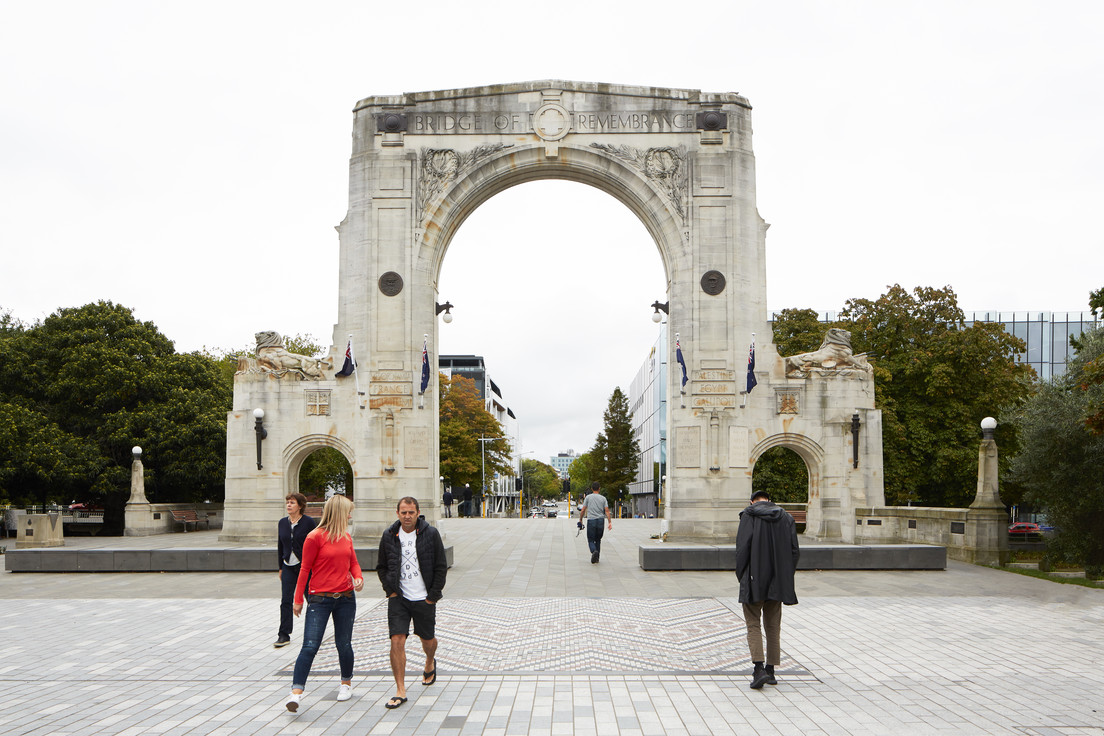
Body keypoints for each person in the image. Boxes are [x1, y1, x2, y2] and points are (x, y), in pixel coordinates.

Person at [284, 494, 363, 713]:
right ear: (339, 513)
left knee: (344, 644)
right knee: (310, 645)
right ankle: (296, 693)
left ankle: (346, 683)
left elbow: (354, 563)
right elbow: (304, 569)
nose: (349, 515)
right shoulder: (314, 537)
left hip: (346, 598)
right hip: (319, 599)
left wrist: (358, 578)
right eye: (348, 512)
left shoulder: (346, 537)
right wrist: (298, 599)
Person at [376, 496, 448, 710]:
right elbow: (381, 566)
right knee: (396, 640)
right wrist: (390, 590)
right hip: (399, 598)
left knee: (427, 640)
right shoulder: (389, 535)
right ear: (397, 513)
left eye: (411, 512)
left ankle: (429, 661)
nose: (407, 516)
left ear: (418, 513)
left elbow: (440, 566)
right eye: (403, 512)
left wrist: (432, 596)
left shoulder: (431, 534)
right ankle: (400, 690)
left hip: (424, 598)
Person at [733, 489, 800, 690]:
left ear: (752, 501)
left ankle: (758, 668)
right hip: (778, 580)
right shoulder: (786, 517)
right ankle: (771, 671)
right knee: (773, 625)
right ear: (769, 500)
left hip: (754, 578)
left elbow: (742, 549)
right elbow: (794, 551)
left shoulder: (748, 515)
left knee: (753, 624)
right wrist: (785, 575)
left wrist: (742, 576)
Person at [275, 492, 317, 648]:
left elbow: (315, 544)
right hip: (287, 566)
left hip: (304, 567)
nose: (288, 505)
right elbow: (280, 545)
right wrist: (280, 567)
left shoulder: (308, 523)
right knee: (286, 600)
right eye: (287, 502)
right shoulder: (282, 523)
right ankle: (283, 634)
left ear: (300, 505)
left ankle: (313, 632)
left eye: (292, 502)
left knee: (311, 600)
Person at [578, 481, 612, 563]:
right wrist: (609, 522)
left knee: (590, 540)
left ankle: (594, 551)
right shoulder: (603, 498)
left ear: (592, 489)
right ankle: (597, 558)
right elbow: (607, 511)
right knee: (598, 540)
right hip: (601, 521)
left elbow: (583, 510)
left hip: (591, 521)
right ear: (599, 489)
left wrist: (580, 519)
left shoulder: (588, 498)